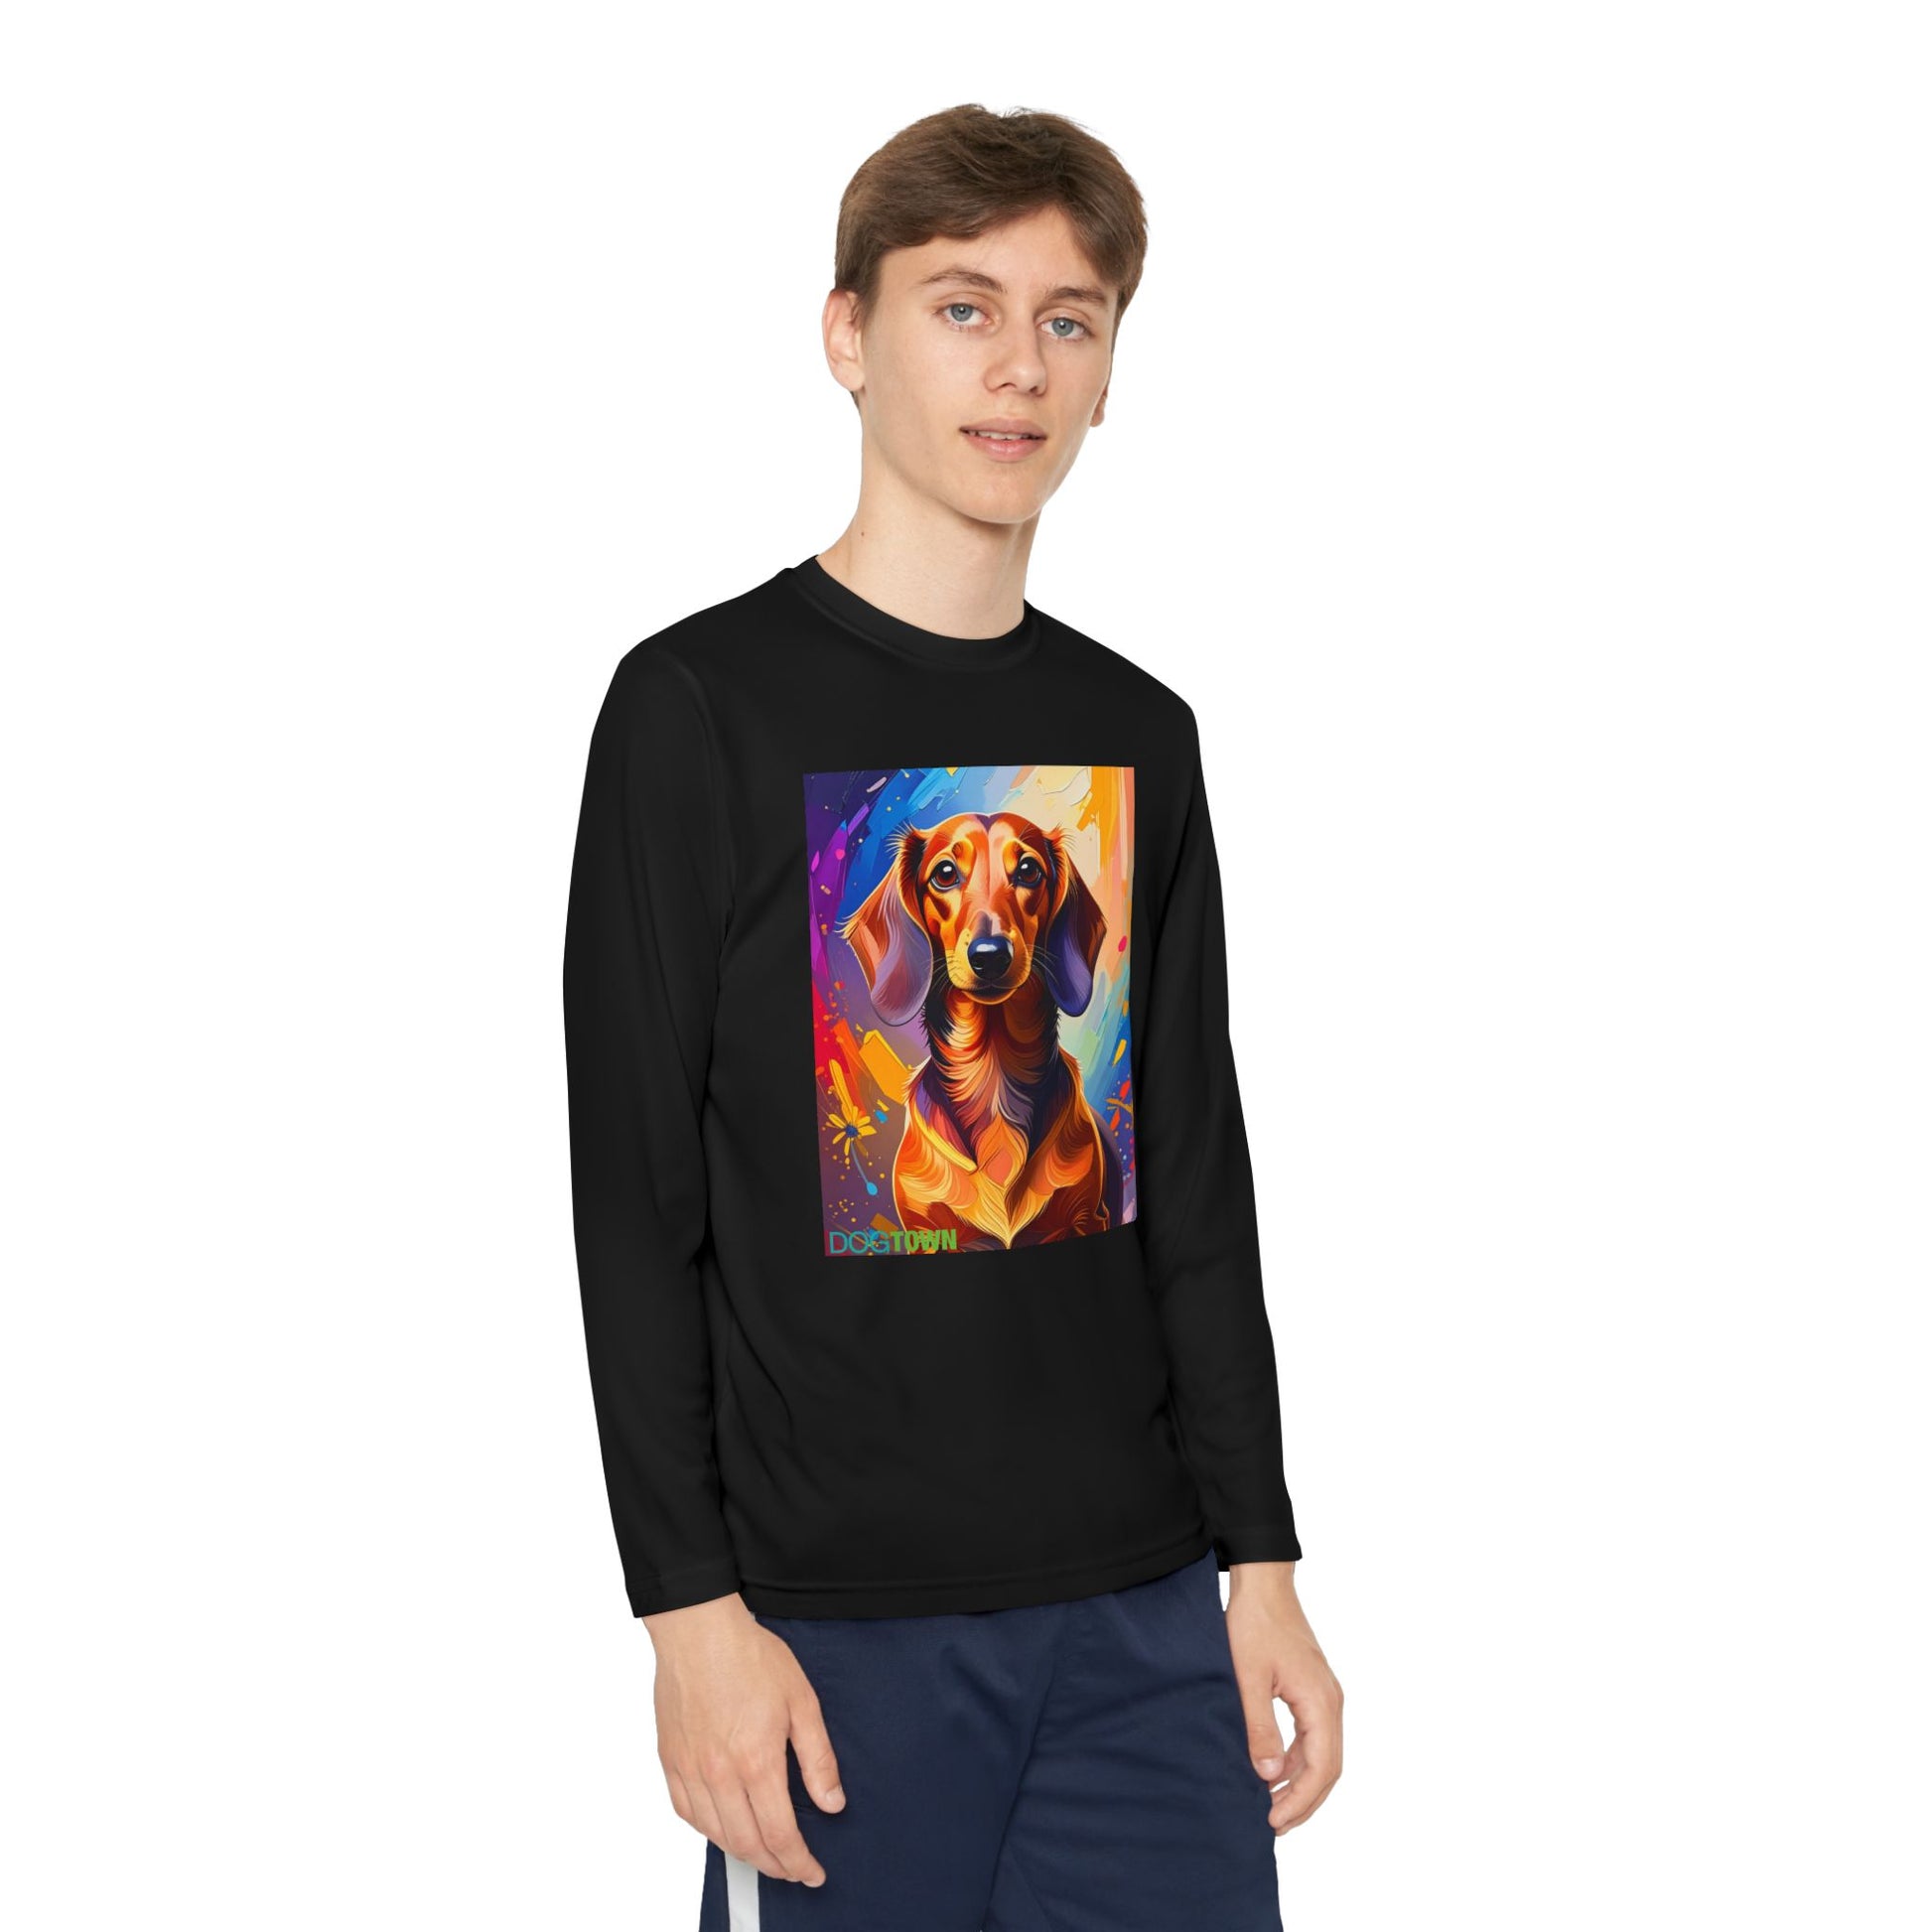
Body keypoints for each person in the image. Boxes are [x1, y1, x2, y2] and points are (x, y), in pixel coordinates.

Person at [562, 102, 1342, 1930]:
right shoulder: (696, 709)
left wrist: (1261, 1560)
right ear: (848, 336)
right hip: (831, 1636)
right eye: (961, 306)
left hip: (1143, 1616)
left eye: (1069, 319)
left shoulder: (1138, 733)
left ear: (1108, 370)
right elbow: (634, 1202)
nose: (1020, 367)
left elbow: (1197, 1183)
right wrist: (687, 1617)